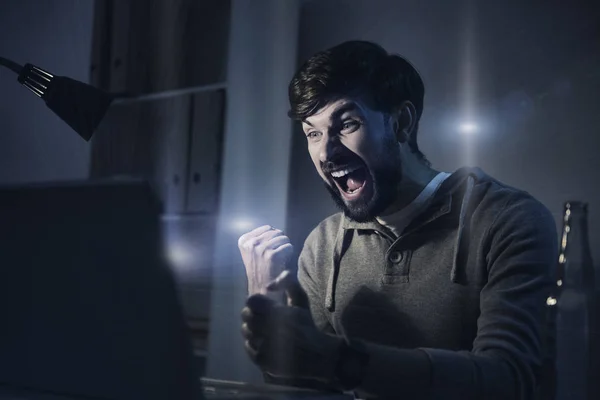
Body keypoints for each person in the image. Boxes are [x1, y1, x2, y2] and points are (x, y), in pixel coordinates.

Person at [237, 40, 557, 399]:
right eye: (313, 133)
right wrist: (267, 307)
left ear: (401, 123)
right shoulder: (323, 246)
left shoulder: (508, 220)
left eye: (347, 124)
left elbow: (507, 379)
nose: (326, 152)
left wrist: (340, 359)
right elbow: (304, 386)